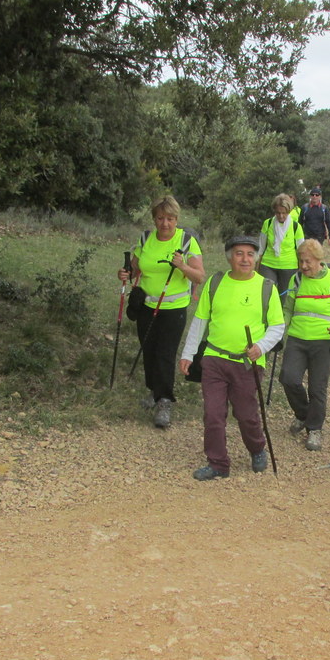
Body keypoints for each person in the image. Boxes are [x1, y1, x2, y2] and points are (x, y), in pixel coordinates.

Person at [179, 236, 285, 480]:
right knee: (213, 414)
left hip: (247, 364)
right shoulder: (216, 283)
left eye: (250, 254)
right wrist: (188, 353)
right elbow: (200, 320)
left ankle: (257, 448)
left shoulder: (266, 287)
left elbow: (277, 327)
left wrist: (261, 347)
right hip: (214, 358)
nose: (245, 259)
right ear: (230, 257)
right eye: (239, 253)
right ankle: (218, 463)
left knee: (246, 415)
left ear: (256, 259)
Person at [119, 195, 205, 428]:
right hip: (145, 305)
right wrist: (125, 272)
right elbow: (135, 266)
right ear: (154, 219)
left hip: (173, 309)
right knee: (148, 349)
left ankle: (165, 400)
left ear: (176, 219)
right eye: (160, 218)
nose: (165, 224)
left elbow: (199, 276)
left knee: (165, 353)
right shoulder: (146, 238)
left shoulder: (187, 241)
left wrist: (182, 266)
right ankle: (153, 390)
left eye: (170, 219)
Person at [280, 240, 330, 451]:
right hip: (297, 338)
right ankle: (303, 414)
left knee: (317, 387)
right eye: (301, 261)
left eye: (308, 262)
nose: (303, 266)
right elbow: (288, 310)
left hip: (323, 342)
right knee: (289, 378)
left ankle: (314, 428)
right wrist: (278, 328)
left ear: (319, 261)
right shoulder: (296, 280)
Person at [258, 193, 304, 298]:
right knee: (266, 295)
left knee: (285, 298)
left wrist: (301, 270)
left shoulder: (296, 227)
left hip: (289, 266)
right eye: (278, 213)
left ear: (288, 212)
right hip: (268, 264)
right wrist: (256, 269)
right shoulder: (268, 224)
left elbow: (301, 252)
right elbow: (261, 249)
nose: (281, 216)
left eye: (284, 213)